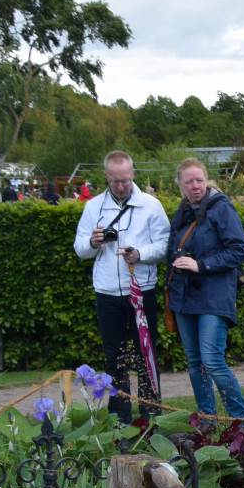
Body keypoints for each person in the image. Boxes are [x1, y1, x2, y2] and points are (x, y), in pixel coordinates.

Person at [73, 150, 169, 424]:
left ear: (133, 174)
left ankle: (151, 416)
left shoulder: (151, 205)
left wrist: (140, 254)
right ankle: (120, 419)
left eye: (125, 180)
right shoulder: (93, 207)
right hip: (106, 293)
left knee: (145, 355)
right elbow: (80, 249)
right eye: (115, 181)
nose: (120, 186)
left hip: (141, 291)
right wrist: (93, 243)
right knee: (114, 358)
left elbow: (164, 245)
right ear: (105, 176)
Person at [165, 158, 244, 426]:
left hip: (214, 296)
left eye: (199, 180)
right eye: (188, 181)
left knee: (212, 360)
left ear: (206, 180)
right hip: (184, 296)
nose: (195, 186)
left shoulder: (221, 208)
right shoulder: (181, 213)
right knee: (194, 362)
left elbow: (238, 251)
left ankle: (242, 423)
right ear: (180, 184)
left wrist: (200, 265)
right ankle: (206, 420)